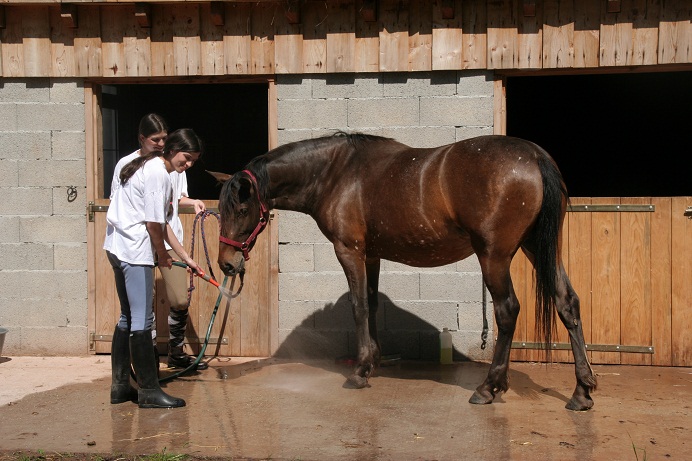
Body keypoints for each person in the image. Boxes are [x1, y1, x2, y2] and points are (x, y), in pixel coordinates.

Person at [104, 128, 203, 409]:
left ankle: (120, 387)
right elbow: (153, 224)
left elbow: (163, 221)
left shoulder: (145, 164)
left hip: (115, 247)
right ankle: (149, 391)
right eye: (186, 158)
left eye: (193, 160)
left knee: (127, 318)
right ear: (171, 150)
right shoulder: (159, 172)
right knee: (141, 321)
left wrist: (186, 257)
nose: (188, 165)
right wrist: (162, 255)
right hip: (135, 252)